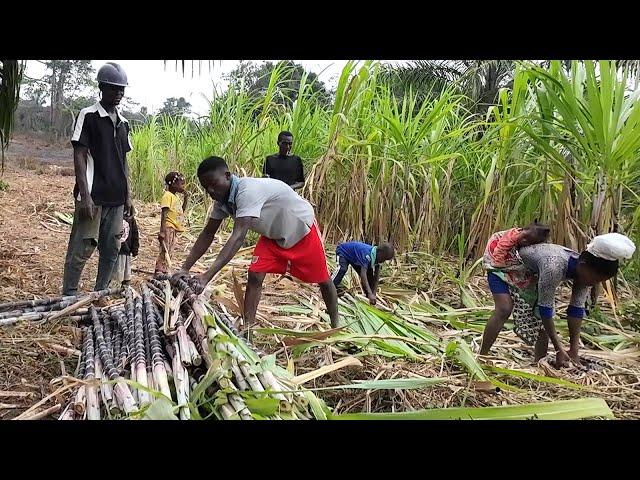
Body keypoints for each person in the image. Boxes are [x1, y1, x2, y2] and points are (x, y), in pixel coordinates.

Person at [173, 156, 339, 329]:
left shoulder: (247, 191)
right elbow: (208, 233)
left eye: (214, 184)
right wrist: (185, 268)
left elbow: (238, 237)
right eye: (206, 187)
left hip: (300, 229)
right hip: (272, 236)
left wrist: (207, 276)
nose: (211, 191)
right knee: (255, 275)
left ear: (228, 175)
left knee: (323, 279)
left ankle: (335, 326)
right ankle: (249, 329)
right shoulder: (222, 202)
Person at [480, 232, 636, 368]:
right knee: (504, 308)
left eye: (599, 280)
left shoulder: (585, 273)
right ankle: (482, 356)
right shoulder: (553, 266)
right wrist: (558, 349)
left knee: (541, 321)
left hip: (530, 271)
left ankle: (539, 364)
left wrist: (573, 350)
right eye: (595, 278)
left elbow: (576, 310)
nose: (594, 283)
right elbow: (545, 309)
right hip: (504, 254)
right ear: (583, 264)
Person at [62, 62, 133, 296]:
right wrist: (85, 195)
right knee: (82, 247)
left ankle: (100, 293)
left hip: (116, 198)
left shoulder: (123, 123)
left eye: (121, 89)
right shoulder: (89, 115)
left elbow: (124, 162)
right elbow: (79, 156)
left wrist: (128, 197)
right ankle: (69, 294)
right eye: (114, 88)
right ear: (101, 88)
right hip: (94, 195)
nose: (119, 93)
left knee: (112, 247)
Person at [332, 241, 395, 305]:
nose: (383, 261)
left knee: (370, 276)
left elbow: (376, 277)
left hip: (355, 258)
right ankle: (330, 286)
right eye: (384, 258)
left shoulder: (378, 258)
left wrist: (374, 293)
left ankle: (368, 298)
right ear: (379, 252)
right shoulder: (367, 254)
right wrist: (371, 294)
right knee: (342, 269)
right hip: (344, 252)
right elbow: (363, 275)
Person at [155, 172, 189, 275]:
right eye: (181, 184)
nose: (183, 186)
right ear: (173, 184)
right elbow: (164, 214)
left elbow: (181, 211)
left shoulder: (175, 197)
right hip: (168, 227)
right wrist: (162, 231)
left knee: (170, 249)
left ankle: (165, 269)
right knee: (164, 249)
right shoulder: (167, 196)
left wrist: (186, 199)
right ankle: (159, 270)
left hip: (174, 228)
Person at [111, 212, 139, 287]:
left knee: (124, 269)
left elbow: (135, 234)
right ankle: (116, 285)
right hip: (116, 249)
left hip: (125, 250)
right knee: (117, 270)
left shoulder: (130, 218)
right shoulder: (113, 215)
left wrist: (135, 249)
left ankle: (124, 285)